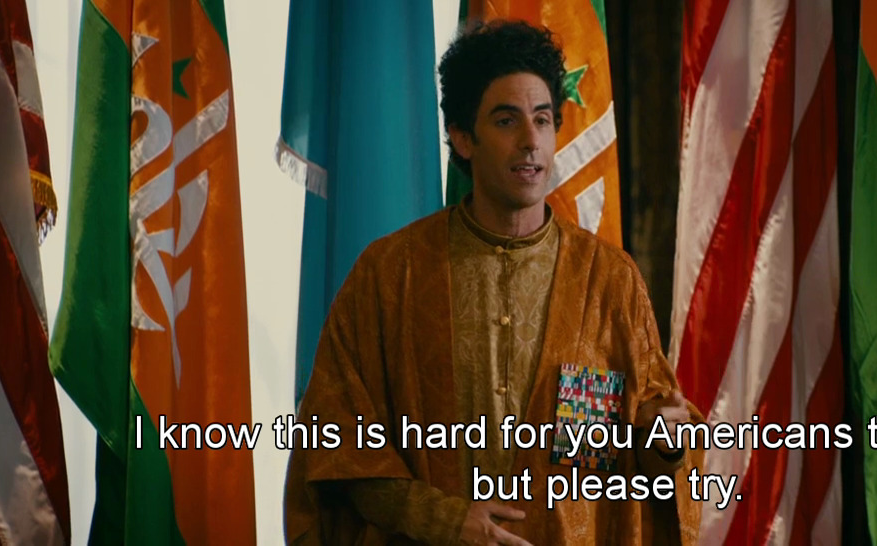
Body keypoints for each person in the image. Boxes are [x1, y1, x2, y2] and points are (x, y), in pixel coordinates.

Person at [284, 20, 703, 545]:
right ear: (463, 137)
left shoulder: (609, 282)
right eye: (507, 121)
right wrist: (443, 519)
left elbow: (648, 463)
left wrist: (665, 444)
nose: (530, 142)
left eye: (543, 120)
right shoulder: (390, 275)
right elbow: (335, 445)